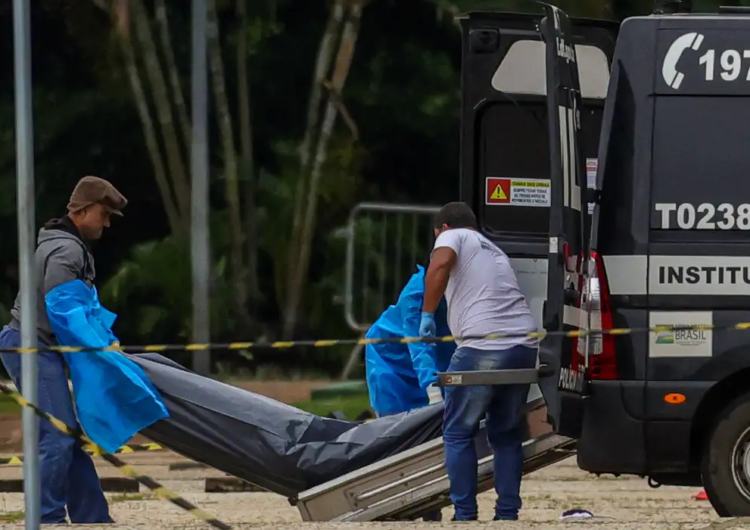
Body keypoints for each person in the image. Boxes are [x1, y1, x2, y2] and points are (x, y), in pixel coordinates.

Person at [0, 176, 127, 524]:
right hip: (30, 347)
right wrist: (100, 350)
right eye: (104, 214)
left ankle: (92, 517)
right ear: (82, 210)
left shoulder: (69, 244)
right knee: (56, 436)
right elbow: (65, 310)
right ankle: (45, 519)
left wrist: (105, 341)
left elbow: (81, 310)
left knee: (66, 434)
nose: (106, 222)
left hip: (37, 345)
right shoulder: (65, 250)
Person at [419, 202, 538, 522]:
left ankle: (465, 515)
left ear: (442, 228)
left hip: (483, 346)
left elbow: (440, 265)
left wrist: (427, 314)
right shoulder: (493, 249)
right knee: (506, 434)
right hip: (524, 347)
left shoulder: (451, 236)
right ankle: (507, 515)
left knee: (458, 432)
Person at [364, 264, 456, 522]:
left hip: (437, 364)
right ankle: (394, 504)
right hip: (391, 365)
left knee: (435, 439)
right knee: (397, 436)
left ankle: (428, 503)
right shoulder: (416, 291)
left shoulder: (464, 284)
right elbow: (418, 343)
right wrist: (432, 386)